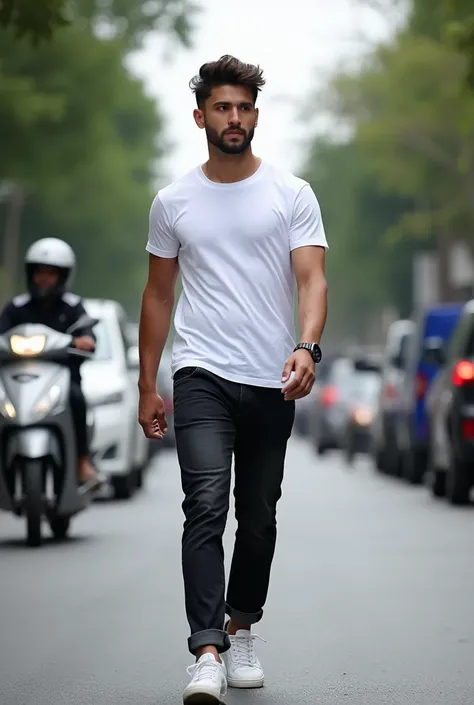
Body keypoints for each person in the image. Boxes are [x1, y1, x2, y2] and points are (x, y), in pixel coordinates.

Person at [138, 55, 328, 704]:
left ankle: (241, 623)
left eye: (244, 107)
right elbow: (158, 297)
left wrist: (307, 345)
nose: (235, 117)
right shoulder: (173, 202)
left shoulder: (291, 193)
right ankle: (207, 649)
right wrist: (146, 385)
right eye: (223, 107)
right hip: (201, 375)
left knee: (260, 514)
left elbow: (312, 278)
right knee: (205, 505)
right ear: (201, 117)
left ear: (255, 115)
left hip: (274, 376)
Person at [0, 237, 103, 491]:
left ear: (62, 276)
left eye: (51, 273)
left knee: (77, 399)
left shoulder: (73, 307)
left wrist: (85, 341)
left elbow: (89, 334)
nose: (44, 279)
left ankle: (82, 462)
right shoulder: (16, 307)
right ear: (30, 274)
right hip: (17, 378)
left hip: (62, 380)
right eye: (39, 272)